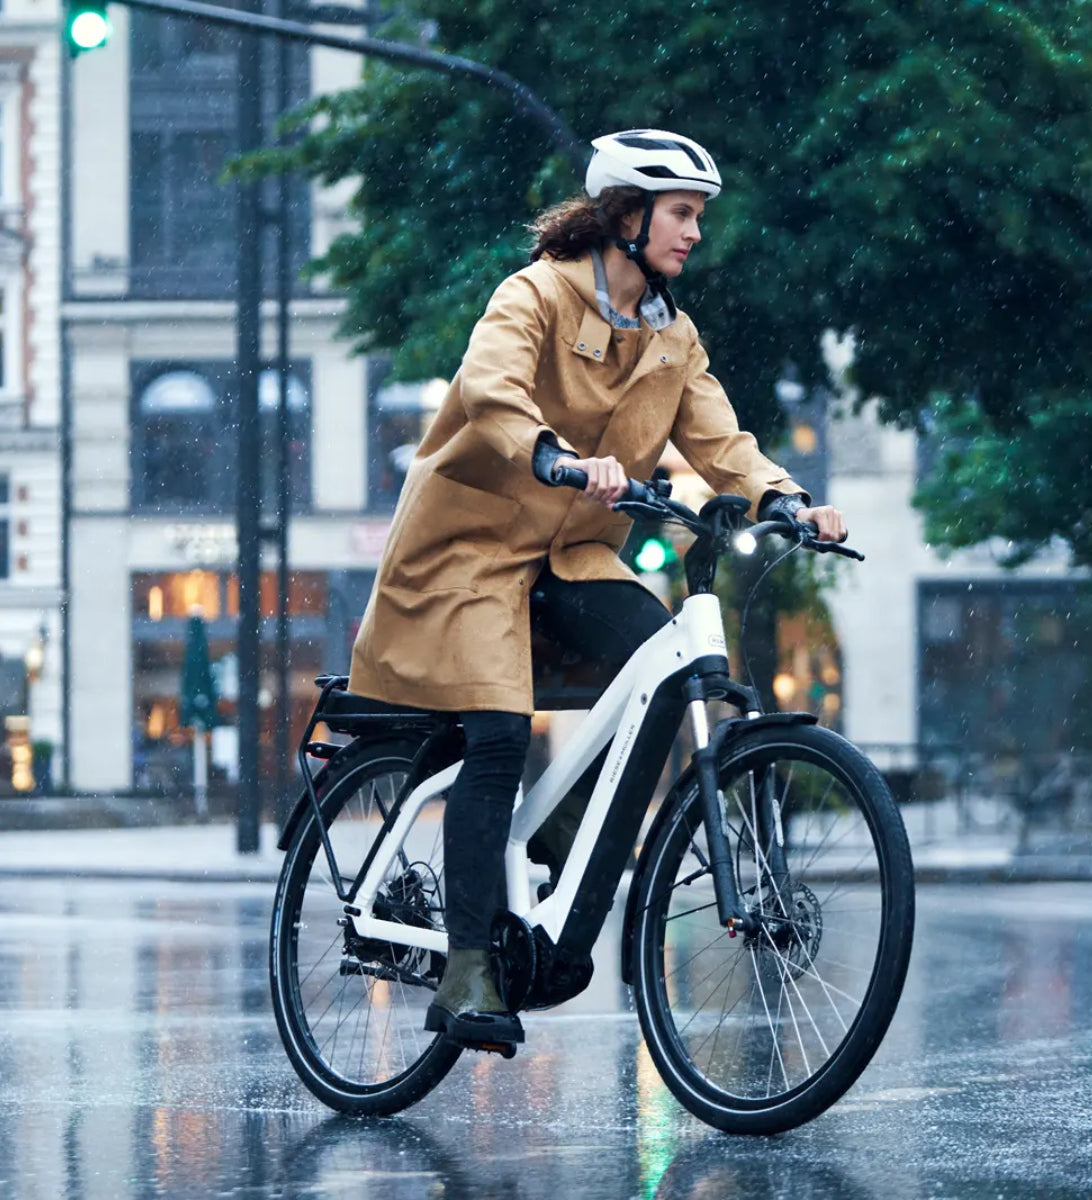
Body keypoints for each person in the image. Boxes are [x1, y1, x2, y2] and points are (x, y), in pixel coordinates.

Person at [348, 129, 847, 1051]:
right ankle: (466, 970)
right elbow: (494, 390)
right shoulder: (532, 294)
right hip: (471, 550)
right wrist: (552, 455)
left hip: (572, 554)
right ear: (626, 218)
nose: (696, 234)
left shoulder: (672, 335)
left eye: (698, 217)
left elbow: (719, 439)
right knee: (497, 731)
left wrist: (786, 497)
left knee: (668, 671)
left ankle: (548, 852)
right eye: (683, 215)